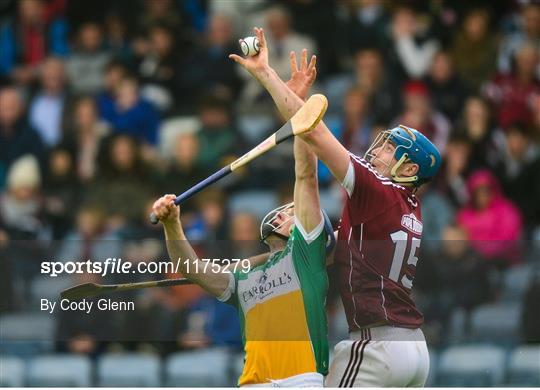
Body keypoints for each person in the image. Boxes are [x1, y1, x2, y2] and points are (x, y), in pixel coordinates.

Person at [230, 27, 442, 387]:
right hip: (414, 351)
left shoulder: (378, 189)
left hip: (377, 347)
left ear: (409, 170)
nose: (376, 151)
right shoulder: (406, 209)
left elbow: (311, 131)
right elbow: (318, 251)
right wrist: (236, 269)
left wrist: (267, 74)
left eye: (390, 149)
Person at [152, 53, 333, 387]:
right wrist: (172, 224)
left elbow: (305, 176)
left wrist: (298, 108)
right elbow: (192, 269)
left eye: (295, 213)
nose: (290, 210)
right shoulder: (244, 275)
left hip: (300, 381)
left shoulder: (307, 257)